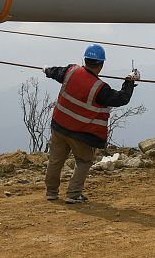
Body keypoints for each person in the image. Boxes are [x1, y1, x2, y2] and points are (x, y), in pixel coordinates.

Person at [42, 44, 139, 204]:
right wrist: (129, 81)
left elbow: (55, 72)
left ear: (85, 60)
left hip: (59, 125)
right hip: (81, 132)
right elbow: (121, 98)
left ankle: (51, 192)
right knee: (83, 161)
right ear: (101, 64)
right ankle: (73, 195)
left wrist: (46, 70)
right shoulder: (99, 88)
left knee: (55, 159)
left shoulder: (70, 71)